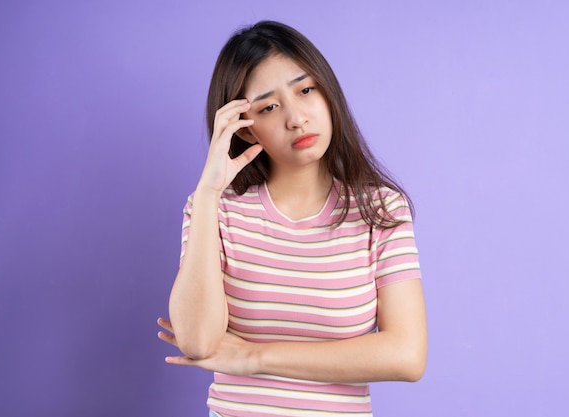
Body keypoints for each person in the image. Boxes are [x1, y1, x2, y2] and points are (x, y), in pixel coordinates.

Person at [157, 20, 427, 417]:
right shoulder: (213, 210)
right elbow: (197, 341)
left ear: (328, 92)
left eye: (305, 90)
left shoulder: (381, 210)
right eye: (268, 106)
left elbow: (407, 355)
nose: (296, 118)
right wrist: (209, 193)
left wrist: (254, 358)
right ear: (246, 130)